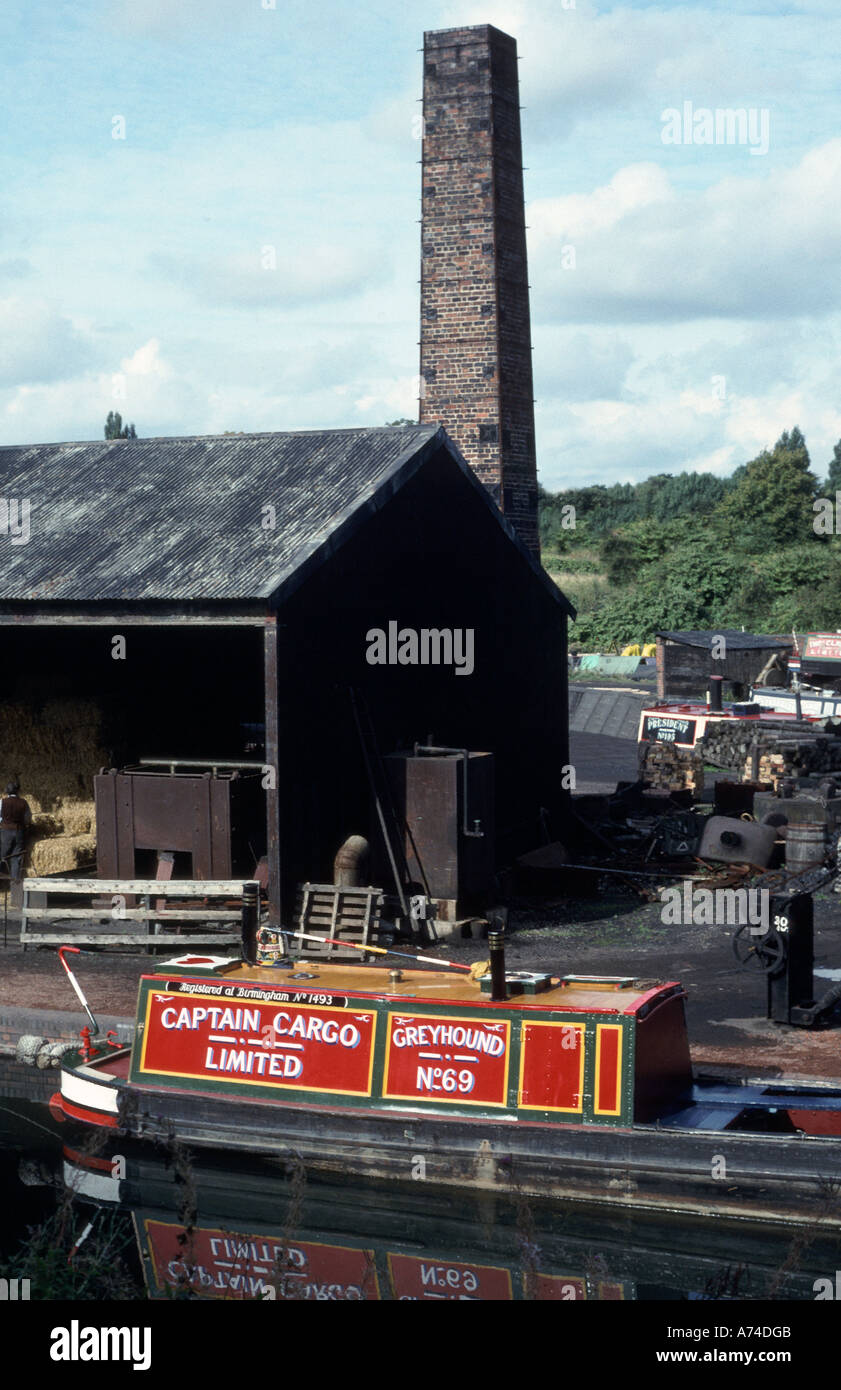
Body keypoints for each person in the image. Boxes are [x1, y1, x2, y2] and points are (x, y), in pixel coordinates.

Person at [0, 780, 32, 883]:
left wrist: (4, 822)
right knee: (16, 858)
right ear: (18, 791)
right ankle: (15, 885)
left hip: (6, 832)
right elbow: (28, 818)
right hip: (19, 832)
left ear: (7, 791)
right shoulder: (24, 802)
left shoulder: (2, 802)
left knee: (2, 855)